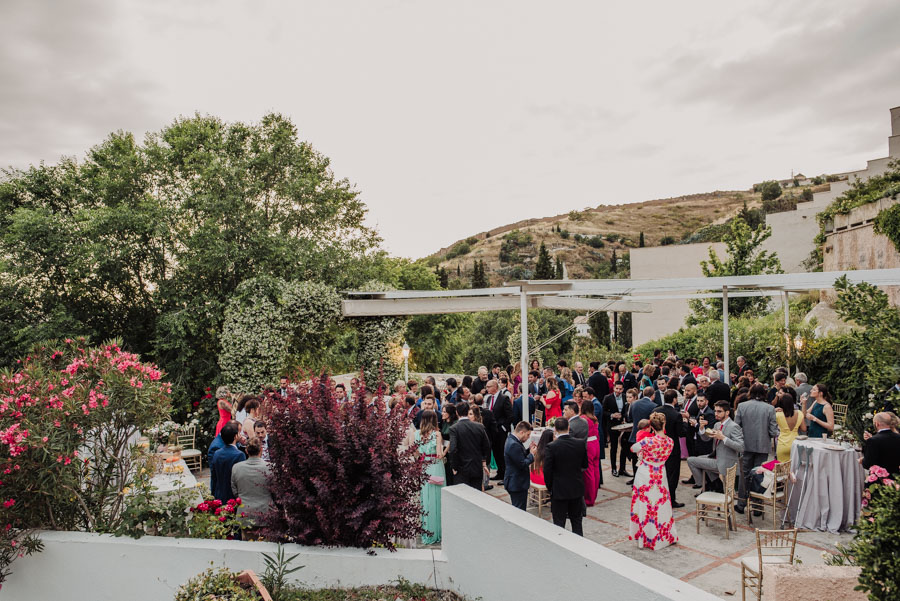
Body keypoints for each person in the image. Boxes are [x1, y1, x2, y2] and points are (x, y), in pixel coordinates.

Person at [629, 411, 678, 550]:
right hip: (660, 473)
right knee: (661, 504)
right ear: (664, 424)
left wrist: (642, 452)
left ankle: (644, 535)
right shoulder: (670, 441)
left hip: (645, 473)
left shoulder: (647, 441)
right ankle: (663, 534)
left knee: (645, 504)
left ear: (651, 426)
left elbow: (633, 448)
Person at [734, 383, 779, 514]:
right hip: (762, 445)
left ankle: (741, 503)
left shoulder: (742, 406)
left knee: (745, 474)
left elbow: (737, 427)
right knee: (759, 475)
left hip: (745, 445)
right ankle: (757, 506)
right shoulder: (770, 408)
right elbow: (773, 430)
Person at [543, 418, 588, 536]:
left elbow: (547, 471)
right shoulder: (580, 443)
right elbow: (584, 465)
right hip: (576, 488)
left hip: (559, 489)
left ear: (555, 430)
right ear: (569, 427)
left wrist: (550, 487)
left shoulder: (551, 447)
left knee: (559, 522)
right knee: (577, 521)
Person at [687, 401, 744, 490]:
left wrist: (723, 438)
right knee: (699, 458)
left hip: (725, 461)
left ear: (727, 412)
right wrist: (702, 428)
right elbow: (706, 439)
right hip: (715, 457)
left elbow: (741, 447)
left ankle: (702, 483)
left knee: (691, 460)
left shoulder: (733, 426)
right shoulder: (717, 424)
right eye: (715, 411)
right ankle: (715, 484)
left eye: (719, 411)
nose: (716, 414)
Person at [653, 389, 687, 508]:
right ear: (674, 400)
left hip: (657, 447)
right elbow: (681, 433)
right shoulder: (676, 414)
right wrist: (686, 422)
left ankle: (659, 496)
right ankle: (671, 499)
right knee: (672, 475)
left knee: (659, 473)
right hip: (672, 449)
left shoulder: (656, 410)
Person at [416, 410, 445, 544]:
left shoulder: (417, 434)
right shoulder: (437, 434)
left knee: (426, 498)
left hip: (424, 465)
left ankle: (427, 531)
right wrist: (447, 449)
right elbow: (439, 454)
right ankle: (438, 531)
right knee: (437, 498)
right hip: (435, 465)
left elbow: (416, 453)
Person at [230, 439, 273, 531]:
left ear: (246, 450)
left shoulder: (236, 468)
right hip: (266, 513)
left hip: (244, 514)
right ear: (261, 450)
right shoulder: (270, 468)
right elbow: (275, 492)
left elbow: (235, 492)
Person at [448, 401, 491, 490]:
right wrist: (484, 462)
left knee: (463, 497)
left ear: (457, 412)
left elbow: (453, 449)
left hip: (461, 469)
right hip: (476, 466)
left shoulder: (454, 428)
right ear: (468, 411)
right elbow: (487, 446)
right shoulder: (479, 426)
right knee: (476, 495)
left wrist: (454, 466)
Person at [210, 421, 246, 503]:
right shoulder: (239, 455)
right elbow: (241, 478)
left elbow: (214, 475)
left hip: (219, 494)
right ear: (235, 436)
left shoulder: (217, 453)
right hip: (233, 496)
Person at [504, 421, 537, 510]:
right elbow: (522, 464)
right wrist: (532, 455)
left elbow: (518, 455)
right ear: (521, 432)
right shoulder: (513, 444)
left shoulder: (513, 439)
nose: (528, 437)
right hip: (517, 483)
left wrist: (528, 450)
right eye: (527, 435)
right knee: (519, 511)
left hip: (516, 481)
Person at [485, 379, 513, 482]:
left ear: (495, 387)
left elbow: (510, 415)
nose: (487, 388)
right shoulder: (488, 399)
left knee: (501, 452)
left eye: (488, 387)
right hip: (491, 431)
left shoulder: (503, 398)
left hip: (500, 430)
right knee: (495, 452)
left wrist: (504, 427)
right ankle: (499, 473)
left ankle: (505, 474)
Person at [861, 412, 900, 477]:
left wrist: (862, 460)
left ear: (877, 424)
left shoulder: (873, 440)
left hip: (880, 480)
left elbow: (867, 464)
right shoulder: (898, 437)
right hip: (897, 478)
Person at [603, 382, 628, 477]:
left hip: (623, 425)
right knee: (614, 448)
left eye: (620, 389)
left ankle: (622, 468)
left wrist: (623, 417)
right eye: (617, 388)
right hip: (612, 425)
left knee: (624, 447)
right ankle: (613, 468)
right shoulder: (608, 398)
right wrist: (612, 415)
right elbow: (604, 411)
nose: (618, 391)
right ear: (614, 388)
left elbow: (627, 409)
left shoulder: (625, 397)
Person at [580, 400, 602, 506]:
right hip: (596, 443)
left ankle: (589, 498)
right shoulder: (594, 418)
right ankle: (594, 495)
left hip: (588, 444)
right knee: (595, 470)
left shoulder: (583, 419)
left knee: (588, 472)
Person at [775, 393, 805, 462]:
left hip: (782, 443)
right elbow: (804, 429)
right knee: (795, 467)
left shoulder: (778, 415)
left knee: (782, 468)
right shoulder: (799, 413)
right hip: (795, 443)